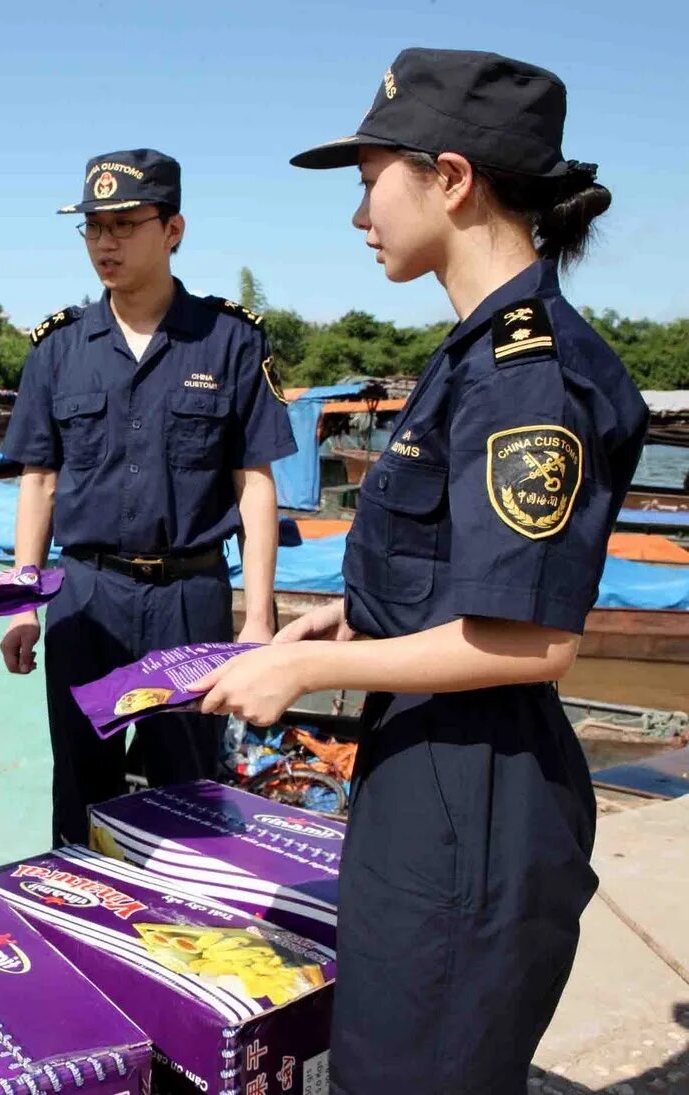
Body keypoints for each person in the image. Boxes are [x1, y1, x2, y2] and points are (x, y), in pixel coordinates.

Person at [194, 49, 647, 1094]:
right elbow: (454, 586)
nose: (358, 213)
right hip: (427, 763)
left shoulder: (525, 375)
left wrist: (298, 677)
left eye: (369, 178)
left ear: (449, 178)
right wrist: (345, 636)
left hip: (475, 796)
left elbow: (533, 641)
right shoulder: (468, 355)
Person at [0, 149, 297, 845]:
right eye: (94, 227)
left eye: (126, 224)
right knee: (79, 786)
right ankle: (77, 928)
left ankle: (182, 934)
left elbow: (254, 485)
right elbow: (38, 480)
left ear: (173, 230)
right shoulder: (59, 349)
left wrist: (258, 619)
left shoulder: (229, 342)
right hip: (85, 595)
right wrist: (21, 606)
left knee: (187, 791)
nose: (105, 242)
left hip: (188, 598)